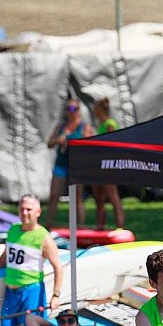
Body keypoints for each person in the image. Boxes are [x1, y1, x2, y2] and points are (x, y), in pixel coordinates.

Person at [0, 194, 64, 326]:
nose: (24, 213)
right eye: (22, 209)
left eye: (29, 210)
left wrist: (55, 296)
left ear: (38, 213)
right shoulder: (13, 229)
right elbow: (5, 255)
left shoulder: (43, 237)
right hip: (10, 292)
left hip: (31, 290)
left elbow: (58, 267)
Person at [45, 97, 89, 230]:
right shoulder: (62, 127)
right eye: (68, 109)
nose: (71, 112)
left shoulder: (83, 127)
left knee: (77, 198)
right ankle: (49, 225)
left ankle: (80, 227)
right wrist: (59, 140)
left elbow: (89, 145)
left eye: (74, 109)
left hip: (76, 166)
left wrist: (73, 144)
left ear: (78, 110)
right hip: (61, 165)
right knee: (54, 196)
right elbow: (49, 144)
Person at [90, 98, 125, 231]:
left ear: (101, 109)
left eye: (96, 108)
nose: (94, 111)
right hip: (100, 164)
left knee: (113, 197)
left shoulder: (110, 124)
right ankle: (100, 226)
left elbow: (113, 144)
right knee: (99, 198)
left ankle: (120, 227)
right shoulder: (101, 125)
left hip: (108, 165)